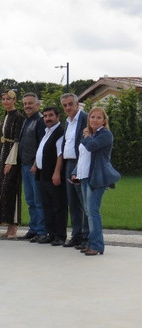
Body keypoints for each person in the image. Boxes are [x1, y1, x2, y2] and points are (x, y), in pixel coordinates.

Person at [73, 107, 120, 256]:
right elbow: (82, 155)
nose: (94, 120)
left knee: (93, 211)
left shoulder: (106, 135)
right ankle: (91, 243)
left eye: (98, 117)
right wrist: (75, 172)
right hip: (84, 176)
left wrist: (86, 136)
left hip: (96, 178)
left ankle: (97, 245)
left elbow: (92, 147)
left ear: (104, 120)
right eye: (92, 117)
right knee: (88, 211)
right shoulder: (89, 134)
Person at [0, 90, 24, 239]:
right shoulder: (6, 116)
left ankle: (14, 225)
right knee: (3, 191)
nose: (5, 102)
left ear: (14, 100)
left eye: (8, 99)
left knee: (12, 189)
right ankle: (8, 223)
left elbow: (17, 140)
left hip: (12, 157)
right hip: (3, 153)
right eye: (3, 99)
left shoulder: (18, 117)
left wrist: (10, 161)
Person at [31, 107, 67, 246]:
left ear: (58, 117)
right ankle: (51, 234)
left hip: (53, 175)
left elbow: (60, 154)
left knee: (58, 206)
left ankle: (60, 236)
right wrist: (35, 164)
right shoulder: (47, 132)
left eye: (50, 115)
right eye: (45, 116)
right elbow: (41, 150)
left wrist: (57, 173)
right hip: (42, 174)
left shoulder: (59, 132)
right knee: (47, 205)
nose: (47, 118)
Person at [61, 93, 89, 248]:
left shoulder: (85, 118)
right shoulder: (68, 122)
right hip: (69, 163)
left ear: (77, 104)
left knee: (83, 201)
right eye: (65, 105)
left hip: (81, 163)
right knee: (73, 202)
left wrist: (80, 166)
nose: (68, 108)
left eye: (70, 104)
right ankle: (76, 235)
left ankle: (86, 236)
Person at [17, 93, 47, 242]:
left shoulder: (40, 121)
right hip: (25, 165)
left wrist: (36, 163)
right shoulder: (27, 121)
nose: (27, 106)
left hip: (34, 167)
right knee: (30, 200)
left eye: (30, 103)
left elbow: (43, 144)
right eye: (25, 104)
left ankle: (42, 231)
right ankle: (33, 228)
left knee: (38, 200)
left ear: (37, 105)